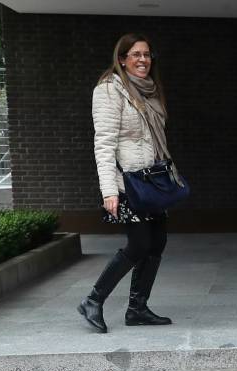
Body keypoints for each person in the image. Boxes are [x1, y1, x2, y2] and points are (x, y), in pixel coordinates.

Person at [78, 33, 174, 333]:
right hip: (127, 184)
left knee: (157, 242)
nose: (143, 60)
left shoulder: (149, 92)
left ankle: (137, 308)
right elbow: (103, 144)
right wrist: (108, 190)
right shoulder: (109, 90)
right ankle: (93, 300)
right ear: (122, 59)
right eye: (136, 55)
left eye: (146, 54)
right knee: (139, 243)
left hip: (152, 182)